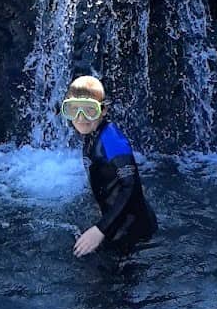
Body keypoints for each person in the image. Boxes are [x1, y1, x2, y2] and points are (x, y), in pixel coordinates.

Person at [61, 75, 157, 258]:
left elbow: (132, 187)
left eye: (89, 110)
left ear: (103, 110)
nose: (80, 118)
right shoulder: (92, 134)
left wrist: (100, 229)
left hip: (134, 230)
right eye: (73, 109)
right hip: (116, 223)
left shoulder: (113, 141)